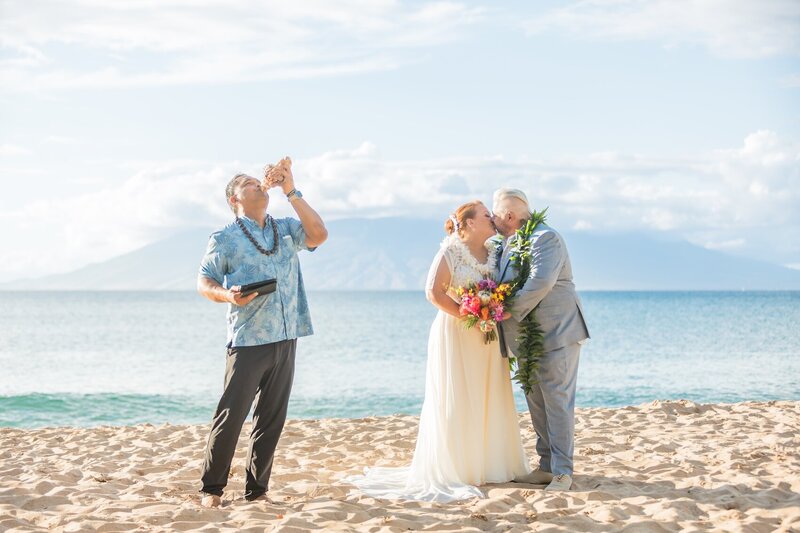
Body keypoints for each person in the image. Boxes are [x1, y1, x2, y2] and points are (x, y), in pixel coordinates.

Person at [348, 200, 530, 502]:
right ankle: (460, 466)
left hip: (486, 333)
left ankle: (491, 463)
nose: (492, 219)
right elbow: (433, 293)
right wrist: (471, 314)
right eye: (487, 215)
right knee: (458, 394)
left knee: (489, 392)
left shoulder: (497, 252)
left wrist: (488, 314)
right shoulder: (450, 251)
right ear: (470, 223)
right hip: (457, 332)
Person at [196, 158, 327, 507]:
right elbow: (204, 281)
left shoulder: (284, 227)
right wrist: (228, 295)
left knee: (271, 418)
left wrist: (290, 189)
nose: (257, 184)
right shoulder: (224, 238)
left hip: (287, 334)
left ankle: (257, 491)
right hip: (249, 338)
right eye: (248, 183)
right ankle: (212, 490)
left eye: (259, 181)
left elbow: (319, 234)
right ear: (234, 200)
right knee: (232, 415)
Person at [493, 187, 589, 492]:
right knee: (536, 402)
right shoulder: (508, 243)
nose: (494, 220)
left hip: (557, 333)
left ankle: (563, 472)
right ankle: (546, 466)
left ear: (508, 215)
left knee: (557, 401)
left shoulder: (546, 238)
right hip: (527, 339)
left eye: (495, 215)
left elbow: (539, 284)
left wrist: (500, 311)